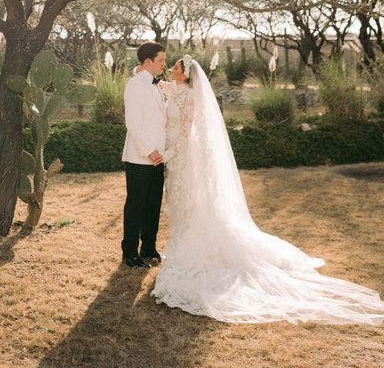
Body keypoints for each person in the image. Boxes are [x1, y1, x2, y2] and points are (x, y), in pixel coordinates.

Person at [150, 55, 384, 324]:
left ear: (187, 75)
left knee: (191, 204)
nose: (172, 68)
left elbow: (184, 134)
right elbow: (167, 89)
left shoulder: (189, 97)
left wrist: (167, 155)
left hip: (182, 158)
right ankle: (178, 243)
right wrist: (147, 77)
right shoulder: (176, 89)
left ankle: (188, 248)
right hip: (176, 163)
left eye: (177, 66)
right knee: (180, 204)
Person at [121, 41, 167, 268]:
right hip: (141, 157)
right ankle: (130, 252)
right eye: (161, 60)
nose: (164, 64)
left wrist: (159, 153)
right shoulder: (135, 84)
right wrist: (149, 150)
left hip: (158, 158)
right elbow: (133, 123)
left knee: (153, 204)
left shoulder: (155, 83)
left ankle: (148, 246)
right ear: (148, 62)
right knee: (136, 205)